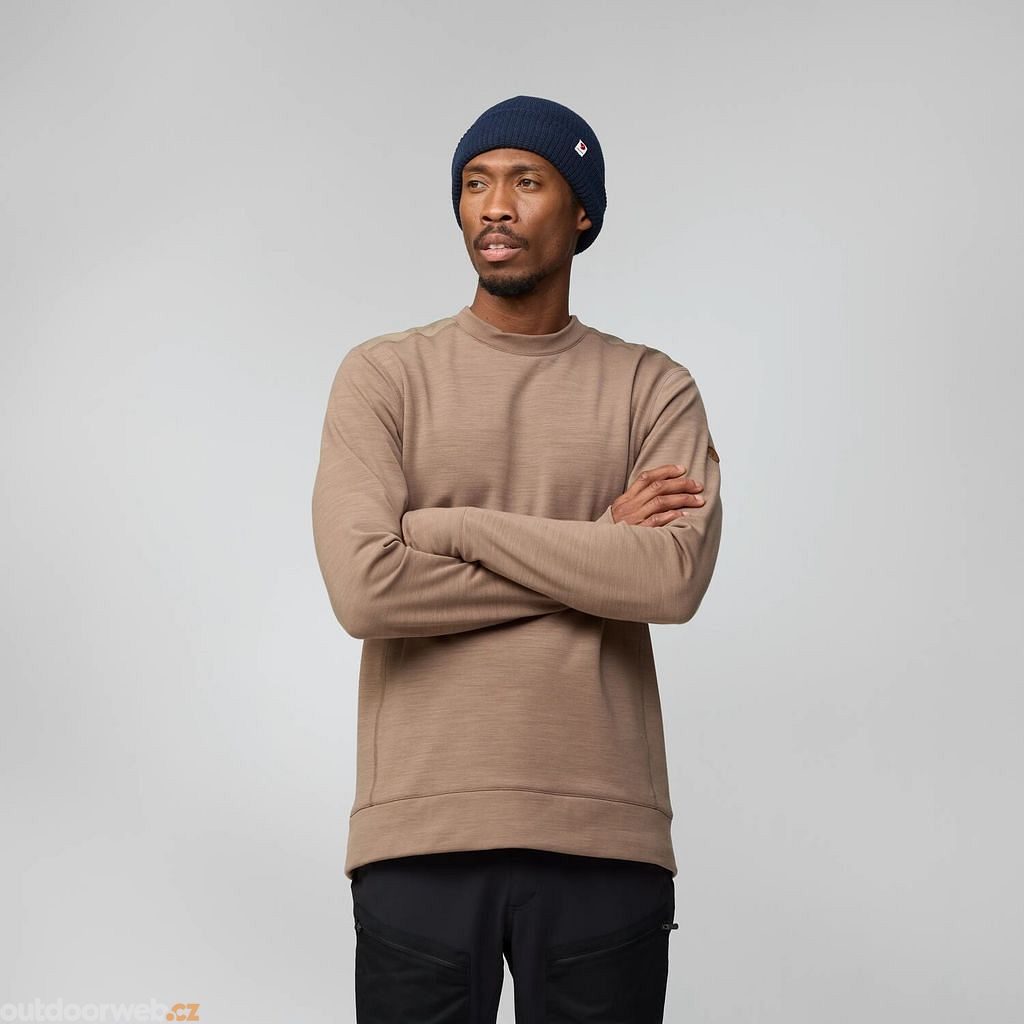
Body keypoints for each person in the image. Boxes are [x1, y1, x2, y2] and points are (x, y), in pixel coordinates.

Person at [311, 95, 724, 1023]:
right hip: (420, 825)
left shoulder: (652, 388)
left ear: (582, 214)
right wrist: (599, 545)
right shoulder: (384, 376)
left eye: (526, 182)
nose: (494, 206)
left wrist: (448, 527)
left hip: (603, 832)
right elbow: (366, 588)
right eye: (475, 183)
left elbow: (669, 578)